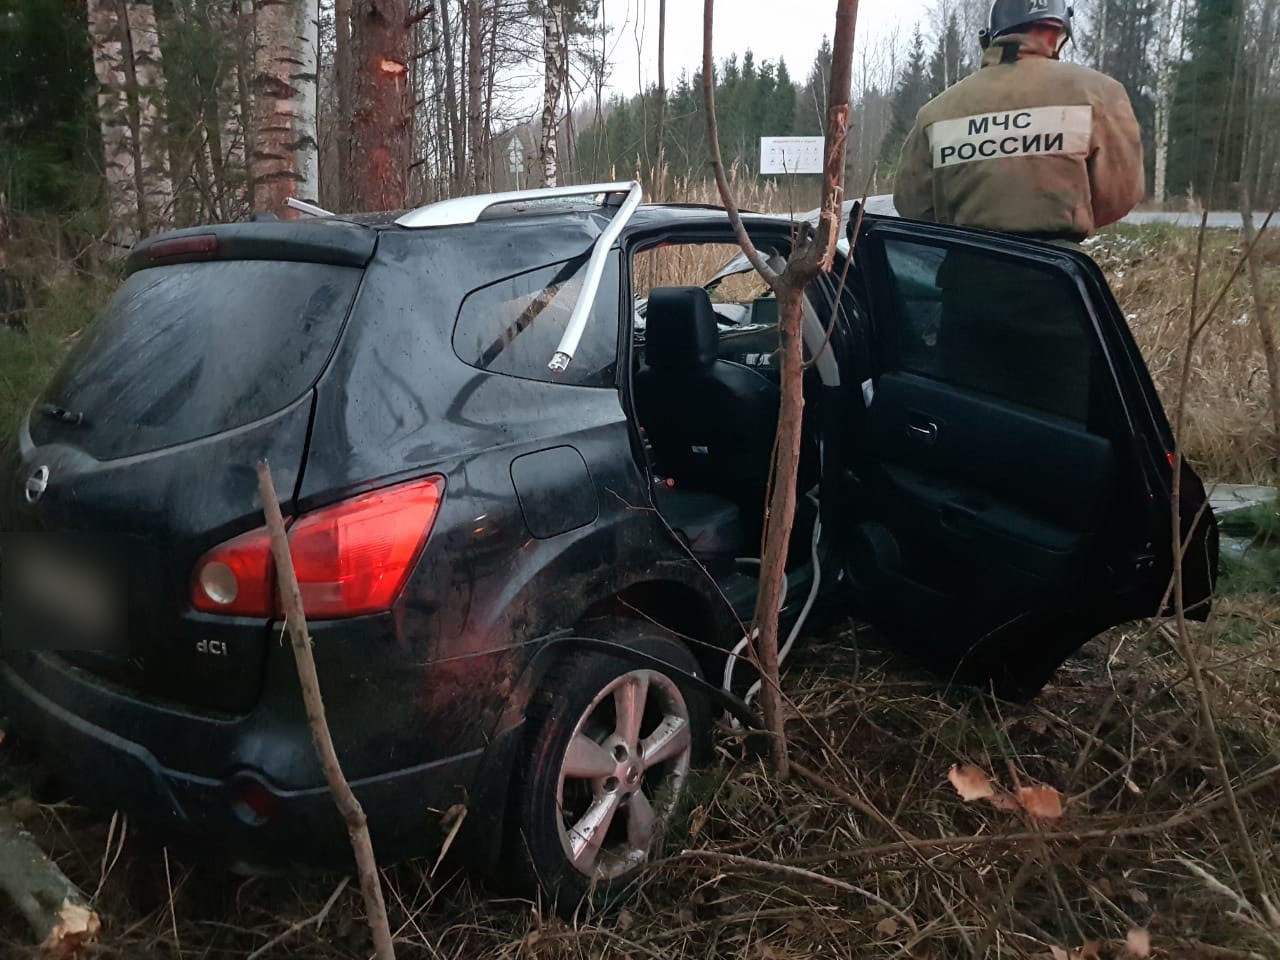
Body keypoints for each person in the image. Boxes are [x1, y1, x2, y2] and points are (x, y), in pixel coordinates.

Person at [893, 0, 1145, 241]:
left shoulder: (935, 112)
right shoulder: (1100, 93)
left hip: (964, 269)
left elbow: (912, 204)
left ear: (991, 37)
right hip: (1056, 271)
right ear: (1056, 32)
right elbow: (1119, 195)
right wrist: (1064, 216)